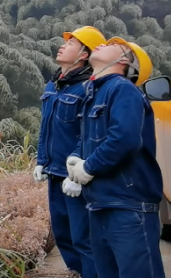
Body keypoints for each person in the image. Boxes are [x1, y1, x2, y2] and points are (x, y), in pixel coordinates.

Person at [66, 37, 166, 278]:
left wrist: (88, 167)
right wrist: (74, 162)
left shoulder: (122, 89)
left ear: (124, 61)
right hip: (100, 203)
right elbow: (91, 139)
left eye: (112, 44)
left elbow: (124, 138)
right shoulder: (95, 94)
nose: (101, 43)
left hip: (128, 205)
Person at [34, 26, 105, 278]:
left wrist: (76, 173)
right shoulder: (53, 85)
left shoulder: (89, 88)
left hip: (76, 176)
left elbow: (90, 133)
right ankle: (75, 274)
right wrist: (41, 160)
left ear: (84, 54)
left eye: (72, 43)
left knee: (83, 238)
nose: (63, 45)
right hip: (53, 173)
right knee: (63, 234)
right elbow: (46, 128)